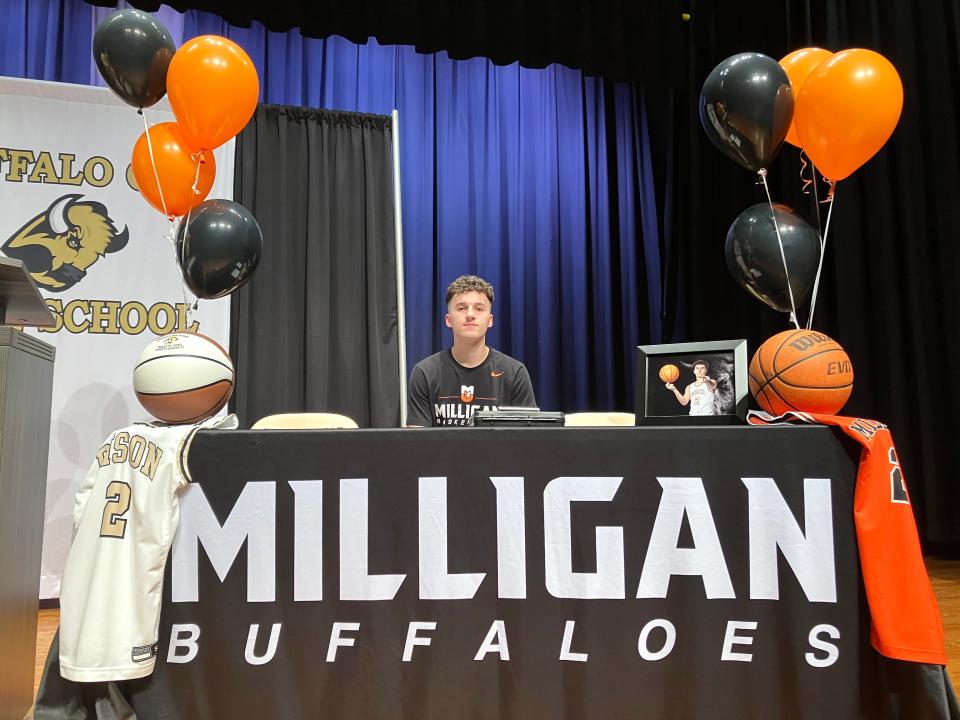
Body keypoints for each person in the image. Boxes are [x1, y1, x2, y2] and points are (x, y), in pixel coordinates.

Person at [407, 275, 536, 426]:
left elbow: (526, 439)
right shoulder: (425, 372)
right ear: (448, 320)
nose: (470, 315)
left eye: (479, 308)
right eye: (461, 308)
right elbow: (417, 443)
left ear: (490, 320)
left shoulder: (515, 373)